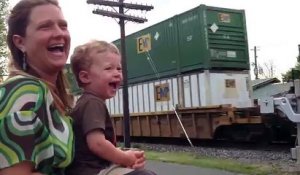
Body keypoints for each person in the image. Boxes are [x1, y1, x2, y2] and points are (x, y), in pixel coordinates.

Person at [0, 0, 74, 175]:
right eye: (45, 27)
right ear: (20, 42)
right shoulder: (23, 92)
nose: (59, 33)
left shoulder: (47, 94)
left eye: (63, 26)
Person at [66, 40, 156, 175]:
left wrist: (121, 153)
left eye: (119, 68)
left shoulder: (85, 102)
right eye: (108, 68)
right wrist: (125, 158)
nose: (117, 73)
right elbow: (97, 144)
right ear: (85, 77)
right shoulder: (93, 103)